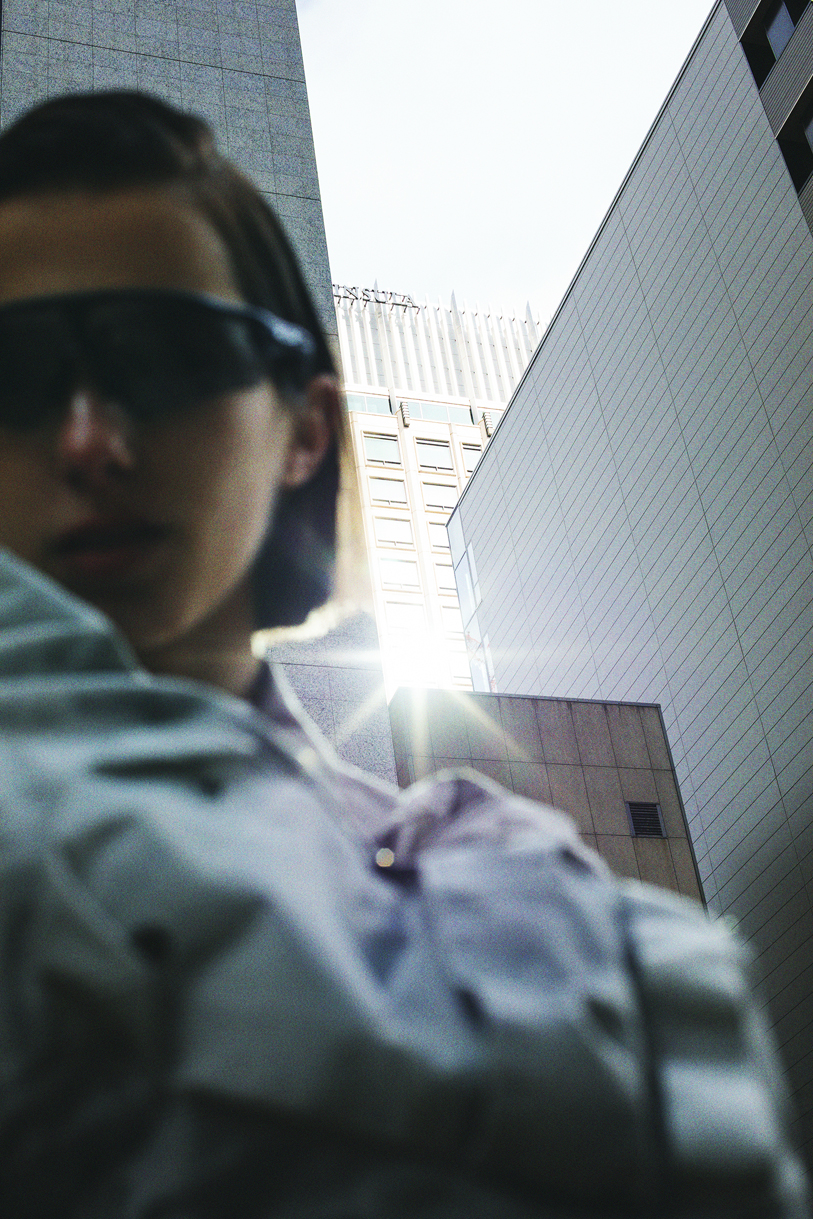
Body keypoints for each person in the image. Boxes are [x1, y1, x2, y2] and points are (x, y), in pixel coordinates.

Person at [0, 91, 806, 1219]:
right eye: (15, 373)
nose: (90, 440)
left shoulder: (509, 880)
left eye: (170, 358)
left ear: (304, 429)